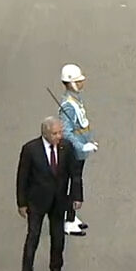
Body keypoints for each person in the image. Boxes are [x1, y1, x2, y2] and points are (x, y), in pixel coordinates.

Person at [15, 117, 83, 271]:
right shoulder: (30, 149)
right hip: (37, 202)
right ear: (44, 133)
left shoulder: (66, 147)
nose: (59, 136)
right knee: (33, 238)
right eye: (55, 133)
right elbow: (22, 178)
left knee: (58, 237)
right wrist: (21, 203)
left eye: (60, 132)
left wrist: (77, 196)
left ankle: (56, 270)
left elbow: (75, 173)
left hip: (59, 200)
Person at [57, 63, 97, 237]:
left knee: (76, 182)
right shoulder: (68, 105)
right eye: (78, 81)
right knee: (73, 184)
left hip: (80, 150)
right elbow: (66, 131)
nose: (82, 84)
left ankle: (72, 216)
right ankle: (69, 220)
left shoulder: (75, 100)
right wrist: (81, 145)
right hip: (74, 152)